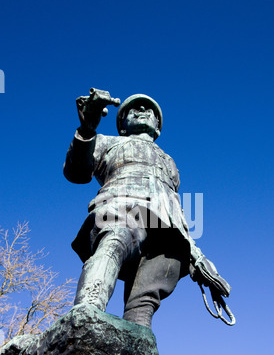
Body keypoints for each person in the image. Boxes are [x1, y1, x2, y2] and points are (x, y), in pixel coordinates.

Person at [63, 88, 231, 329]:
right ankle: (85, 315)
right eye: (134, 109)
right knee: (114, 244)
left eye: (150, 110)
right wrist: (88, 129)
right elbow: (76, 172)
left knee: (146, 295)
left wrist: (196, 256)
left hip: (167, 230)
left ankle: (135, 348)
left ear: (158, 127)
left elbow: (176, 207)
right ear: (122, 126)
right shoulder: (107, 142)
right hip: (121, 207)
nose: (143, 111)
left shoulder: (170, 162)